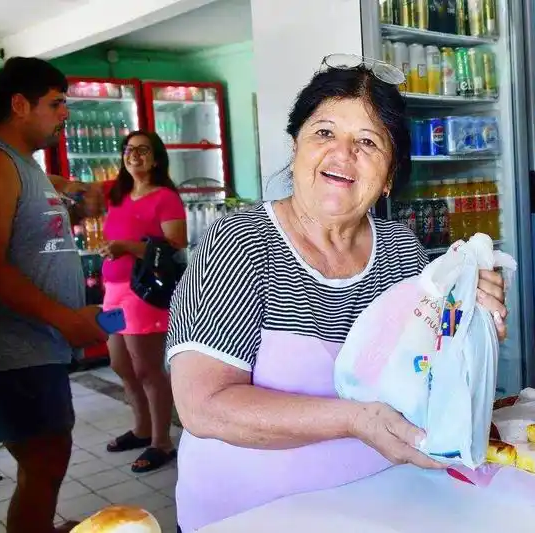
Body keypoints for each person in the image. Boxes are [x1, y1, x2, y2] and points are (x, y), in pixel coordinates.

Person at [166, 55, 509, 532]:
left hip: (384, 505)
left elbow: (429, 376)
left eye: (367, 142)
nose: (342, 155)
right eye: (324, 133)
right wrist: (355, 420)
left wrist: (469, 322)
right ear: (296, 147)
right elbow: (202, 406)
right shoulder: (241, 242)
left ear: (389, 174)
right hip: (250, 516)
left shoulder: (400, 249)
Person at [0, 57, 108, 533]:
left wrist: (75, 190)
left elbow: (47, 200)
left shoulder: (22, 166)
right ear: (18, 105)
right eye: (55, 104)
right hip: (15, 352)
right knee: (45, 460)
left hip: (37, 347)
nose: (64, 114)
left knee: (47, 460)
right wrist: (66, 319)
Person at [100, 131, 186, 472]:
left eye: (142, 150)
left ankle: (161, 442)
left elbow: (176, 242)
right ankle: (141, 428)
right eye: (129, 149)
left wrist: (126, 247)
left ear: (155, 158)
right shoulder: (116, 194)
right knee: (119, 364)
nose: (134, 155)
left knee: (146, 369)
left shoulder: (164, 197)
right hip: (112, 290)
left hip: (143, 293)